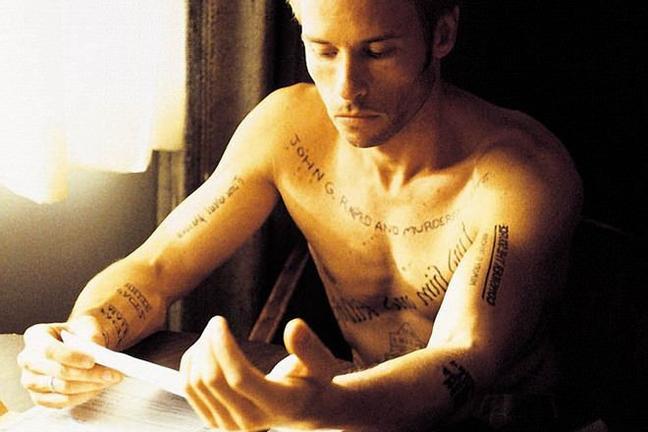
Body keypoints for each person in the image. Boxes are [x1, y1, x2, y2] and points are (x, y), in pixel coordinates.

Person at [17, 0, 583, 430]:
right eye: (324, 51)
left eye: (377, 52)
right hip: (344, 408)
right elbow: (156, 269)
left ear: (442, 34)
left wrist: (323, 405)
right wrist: (84, 336)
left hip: (507, 419)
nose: (347, 90)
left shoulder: (519, 174)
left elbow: (464, 356)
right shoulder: (289, 130)